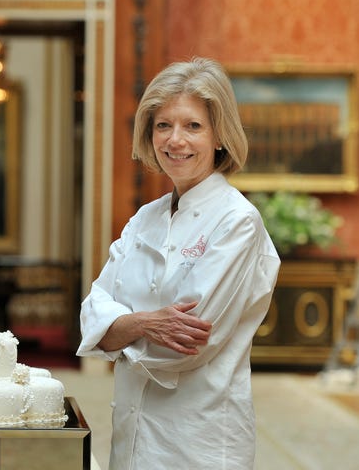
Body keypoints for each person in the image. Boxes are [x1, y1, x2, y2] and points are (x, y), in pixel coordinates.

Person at [77, 57, 280, 469]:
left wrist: (119, 329)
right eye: (163, 125)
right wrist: (145, 324)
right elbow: (91, 313)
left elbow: (187, 345)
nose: (175, 141)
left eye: (193, 126)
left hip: (199, 441)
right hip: (131, 436)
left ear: (219, 135)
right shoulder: (144, 218)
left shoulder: (237, 222)